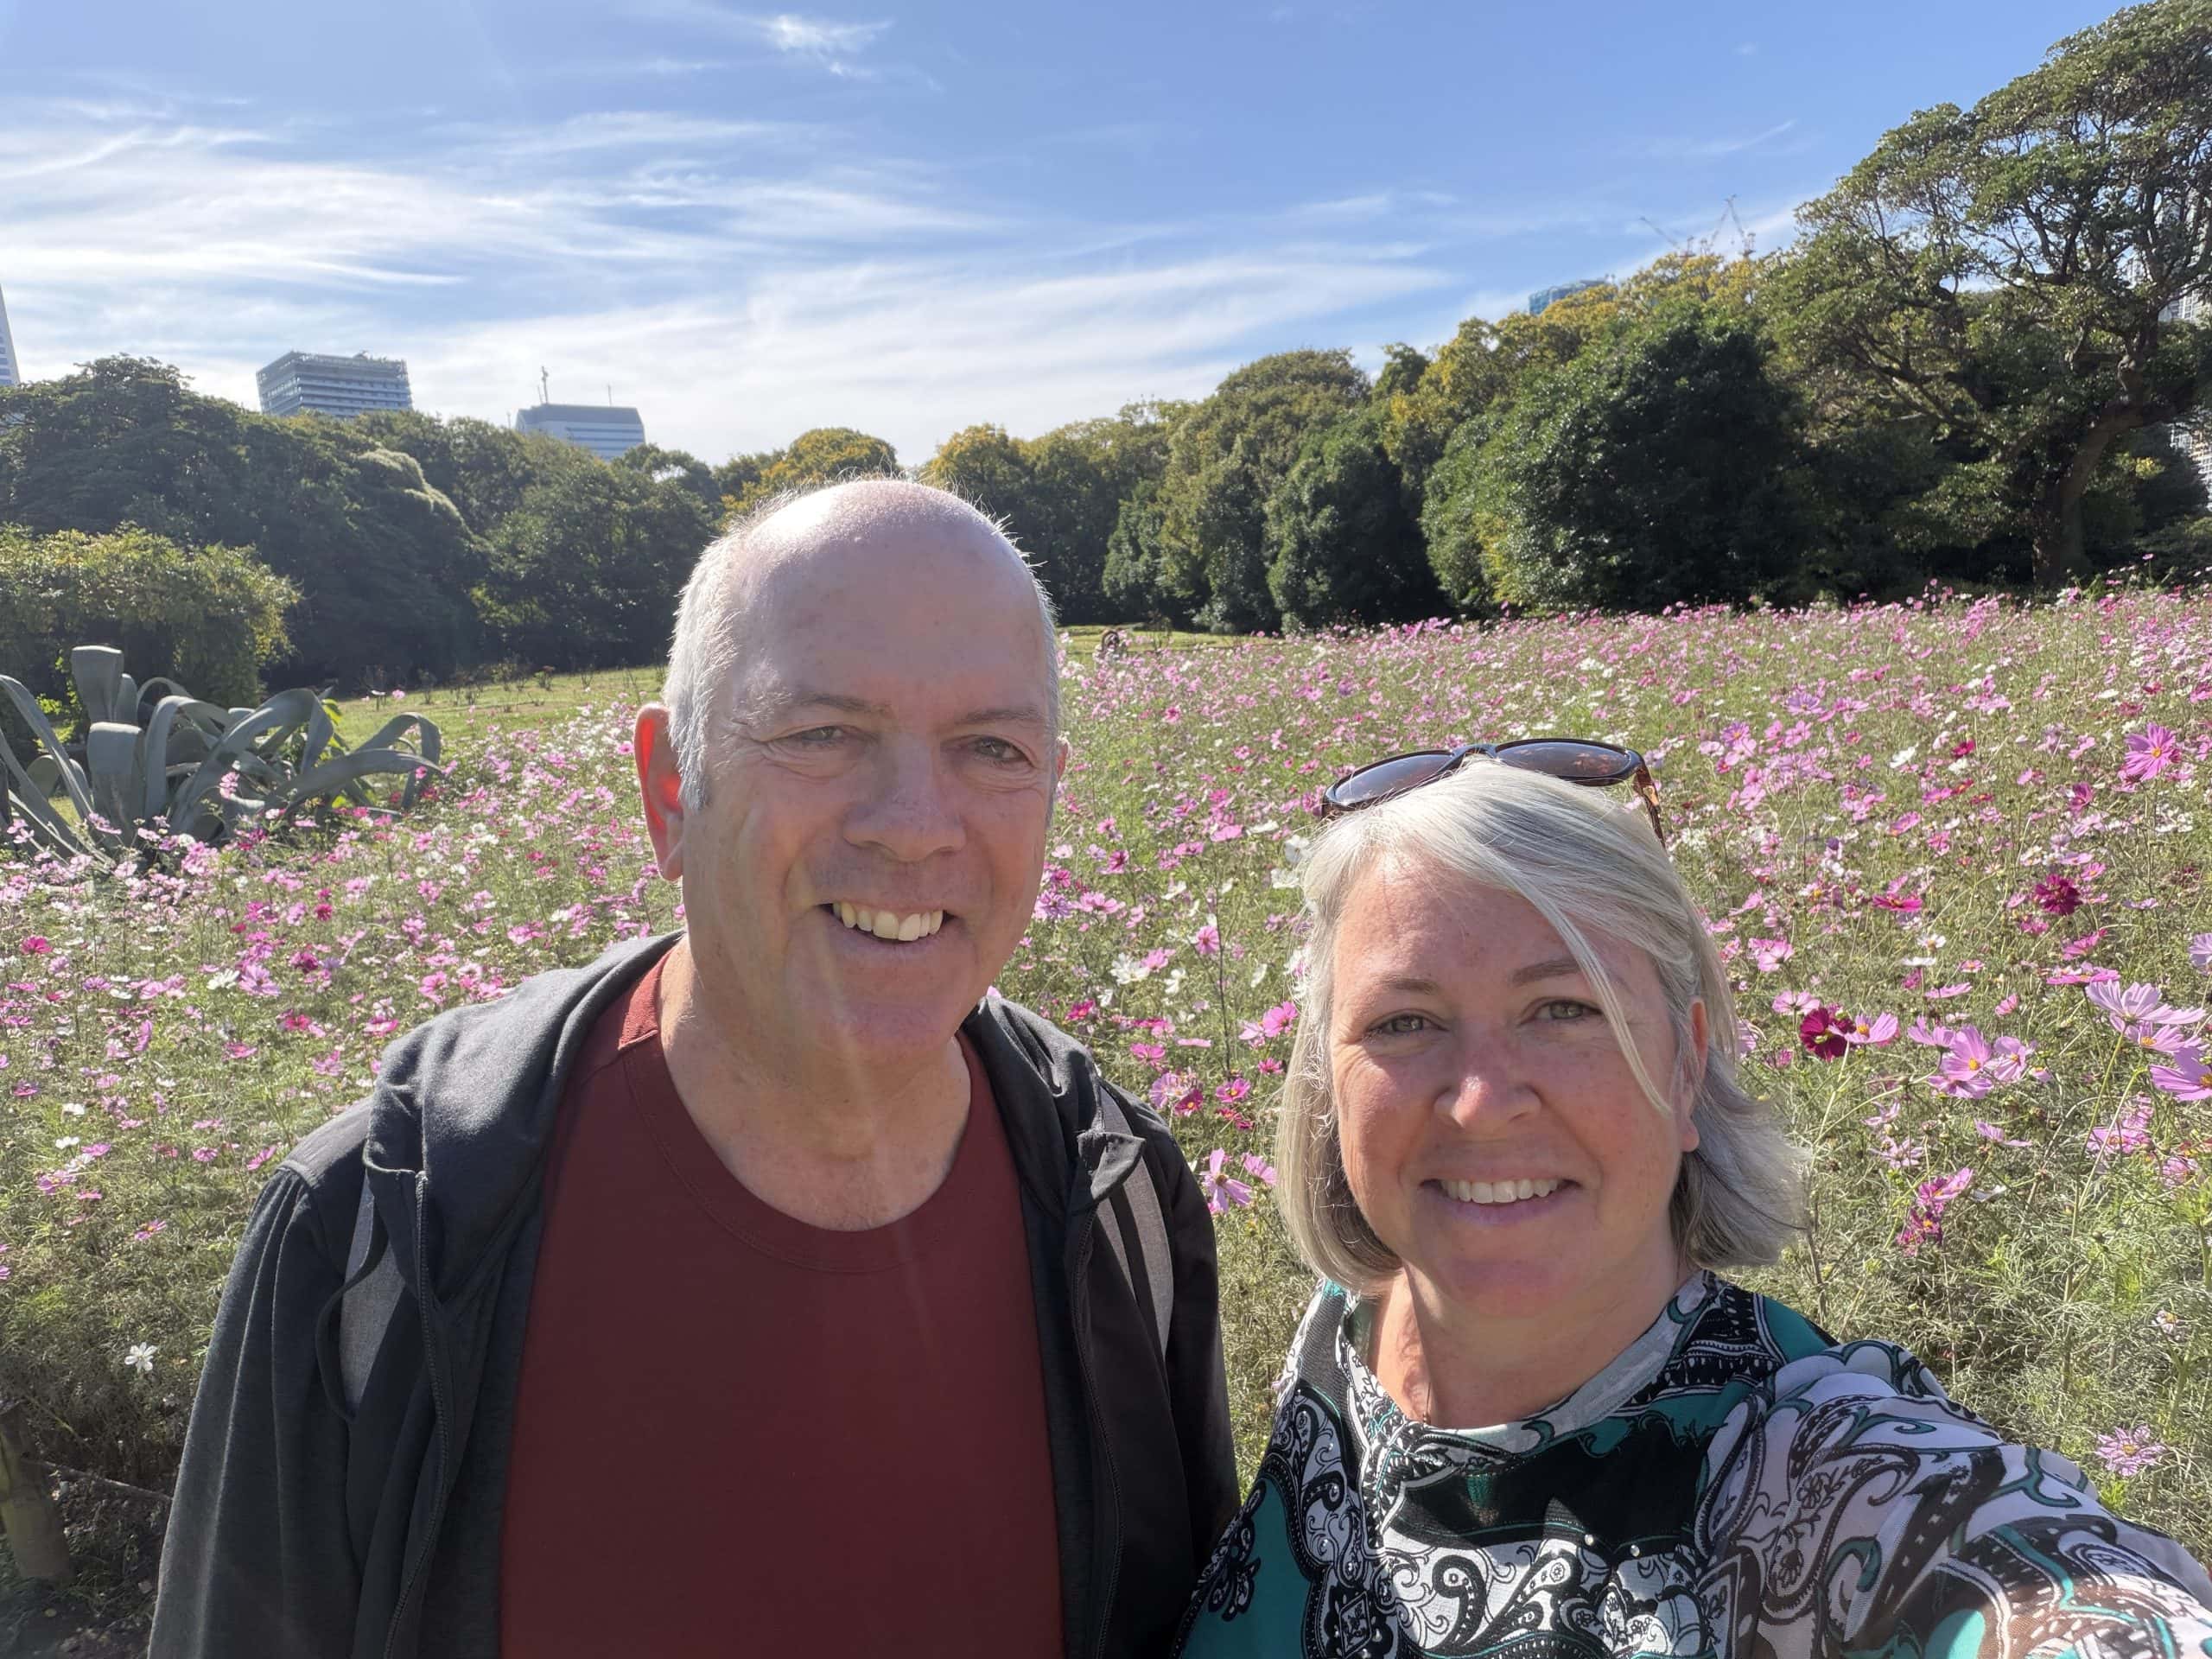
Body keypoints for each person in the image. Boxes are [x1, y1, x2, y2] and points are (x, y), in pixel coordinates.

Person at [151, 480, 1237, 1659]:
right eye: (824, 735)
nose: (916, 824)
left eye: (994, 748)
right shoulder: (377, 1234)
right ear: (672, 789)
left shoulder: (1122, 1204)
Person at [1175, 744, 2212, 1658]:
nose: (1481, 1103)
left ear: (1685, 1068)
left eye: (1563, 1009)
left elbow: (2044, 1590)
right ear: (1325, 1082)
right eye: (1403, 1023)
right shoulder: (1341, 1329)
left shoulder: (1818, 1474)